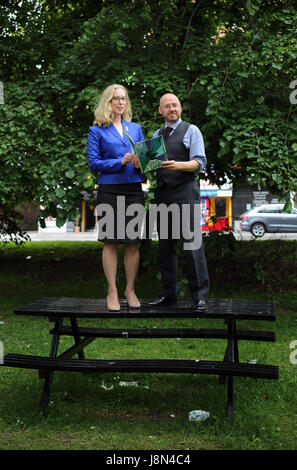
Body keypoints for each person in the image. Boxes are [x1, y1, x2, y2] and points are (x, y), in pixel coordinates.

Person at [146, 93, 209, 310]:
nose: (172, 109)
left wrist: (179, 165)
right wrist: (140, 161)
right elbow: (151, 165)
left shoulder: (192, 130)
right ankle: (169, 294)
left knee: (192, 247)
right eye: (168, 106)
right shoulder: (157, 134)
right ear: (160, 110)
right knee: (166, 249)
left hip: (186, 194)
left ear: (180, 108)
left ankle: (200, 296)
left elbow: (200, 163)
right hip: (163, 195)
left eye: (176, 105)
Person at [87, 84, 145, 311]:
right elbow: (94, 164)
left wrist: (140, 163)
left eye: (124, 98)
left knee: (132, 242)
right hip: (109, 189)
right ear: (108, 102)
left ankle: (130, 289)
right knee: (110, 241)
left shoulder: (136, 128)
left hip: (133, 189)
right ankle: (112, 291)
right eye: (116, 99)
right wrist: (119, 162)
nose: (121, 102)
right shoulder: (97, 131)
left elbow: (144, 160)